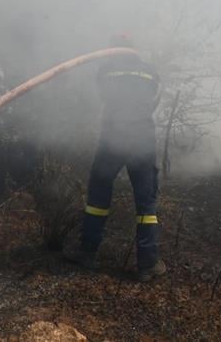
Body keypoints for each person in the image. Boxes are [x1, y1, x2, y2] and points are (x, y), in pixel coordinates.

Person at [66, 35, 167, 282]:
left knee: (97, 199)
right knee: (146, 206)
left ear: (113, 50)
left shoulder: (106, 70)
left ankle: (87, 254)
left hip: (112, 140)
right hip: (142, 141)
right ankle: (147, 265)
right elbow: (153, 98)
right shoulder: (150, 71)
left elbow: (102, 96)